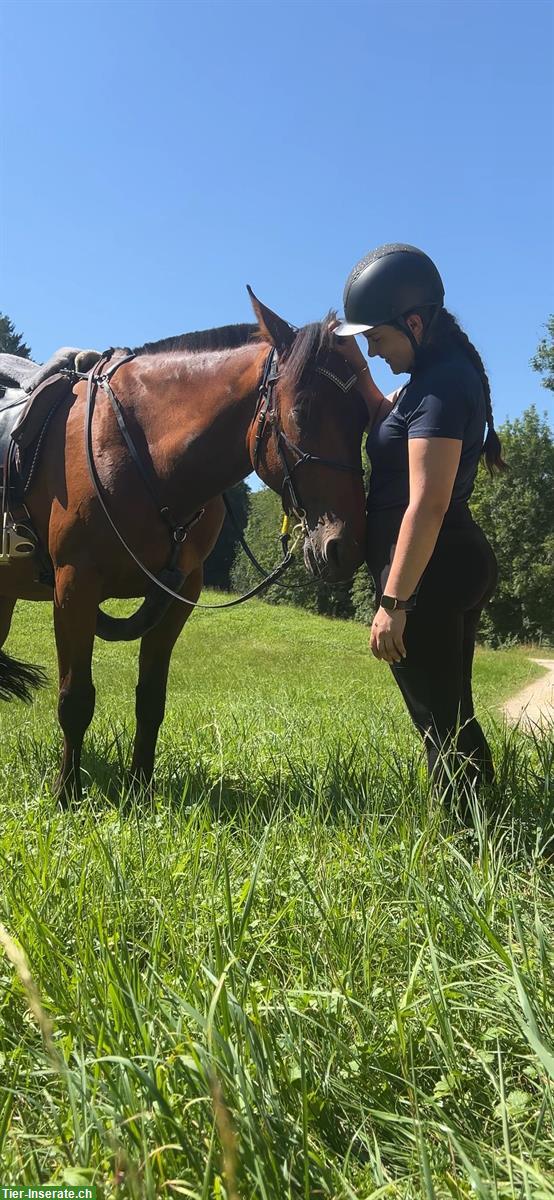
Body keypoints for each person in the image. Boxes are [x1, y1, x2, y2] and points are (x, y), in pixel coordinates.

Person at [334, 243, 504, 814]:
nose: (372, 351)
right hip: (448, 561)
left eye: (376, 339)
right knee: (451, 714)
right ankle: (485, 833)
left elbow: (426, 503)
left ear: (413, 322)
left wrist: (393, 601)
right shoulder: (431, 380)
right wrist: (356, 362)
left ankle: (474, 849)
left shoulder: (439, 387)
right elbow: (390, 417)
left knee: (440, 725)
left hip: (429, 571)